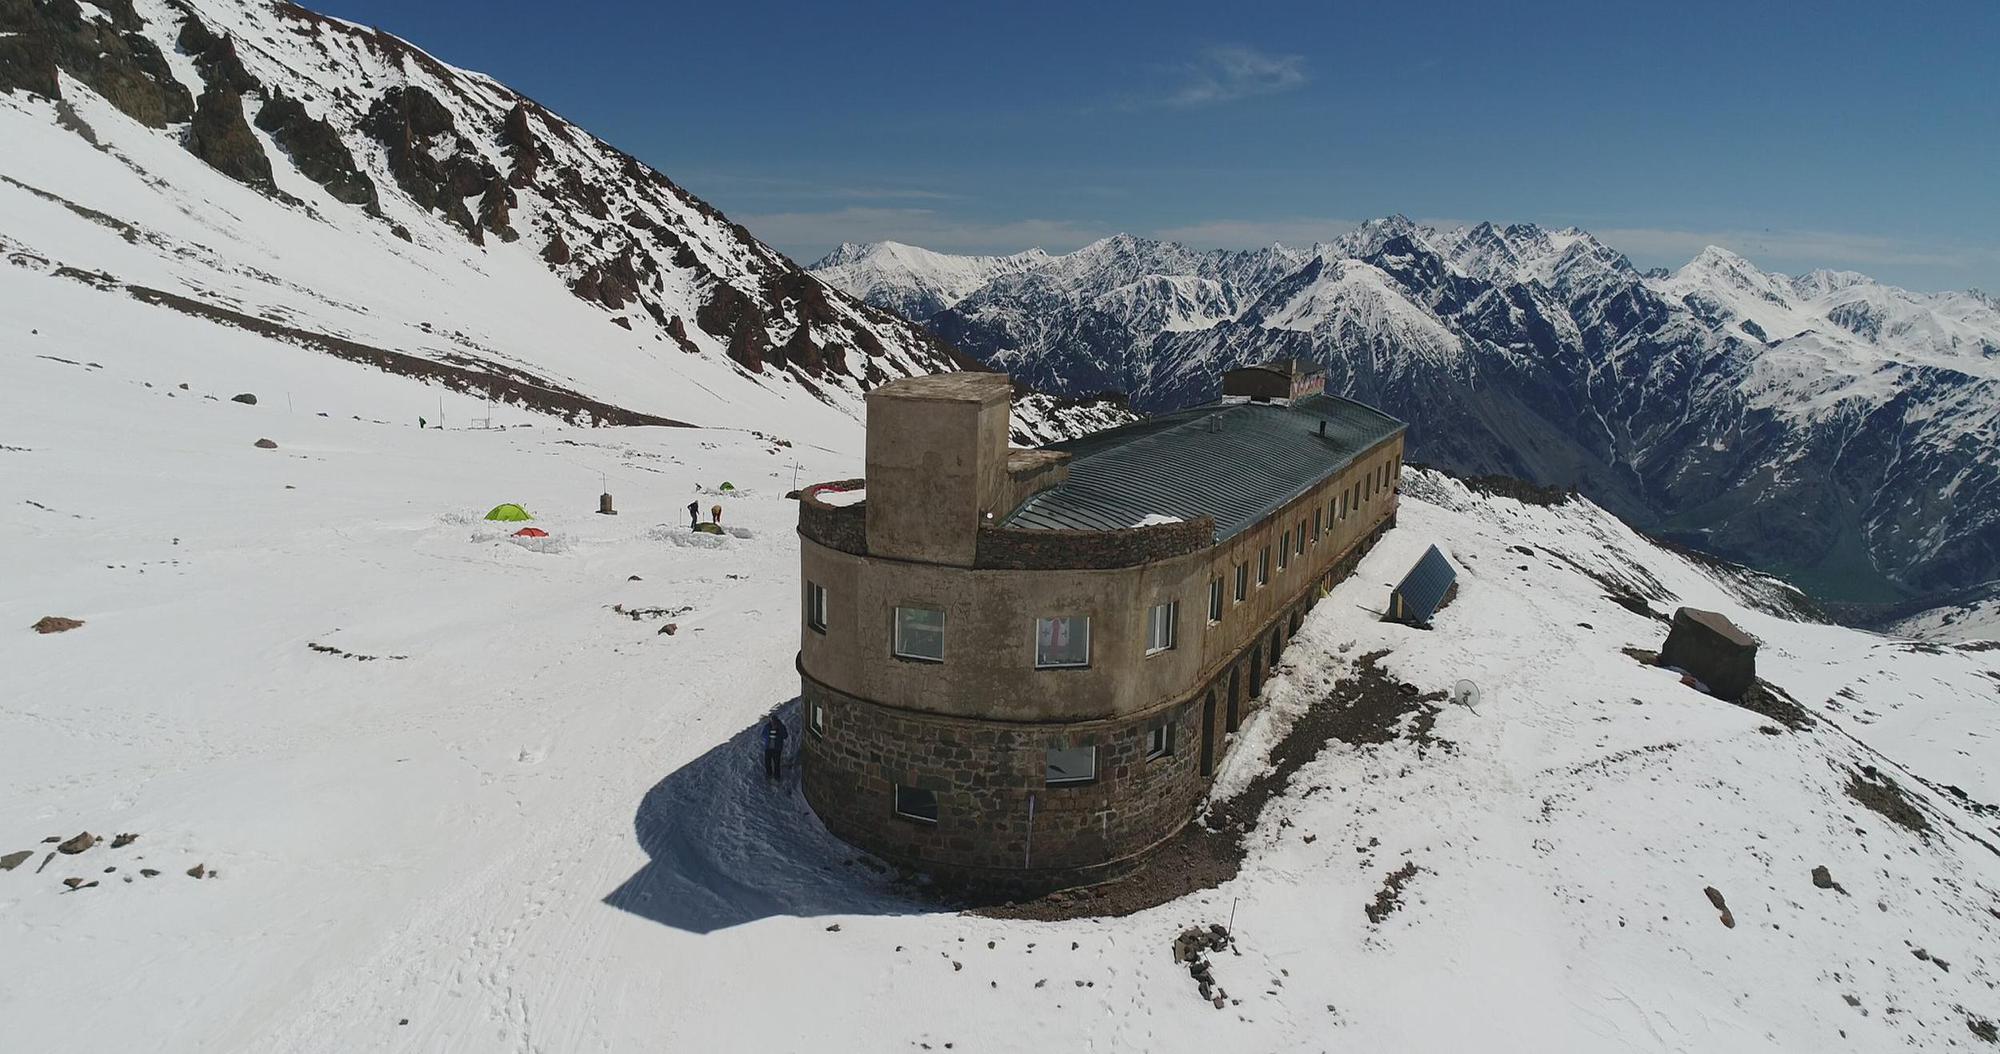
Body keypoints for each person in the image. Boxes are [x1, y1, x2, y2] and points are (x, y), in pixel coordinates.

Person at [761, 714, 788, 781]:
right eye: (772, 722)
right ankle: (769, 774)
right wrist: (768, 736)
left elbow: (785, 736)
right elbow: (763, 735)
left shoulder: (781, 727)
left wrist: (780, 730)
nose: (773, 723)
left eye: (774, 722)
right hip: (768, 748)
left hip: (777, 748)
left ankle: (777, 776)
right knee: (767, 762)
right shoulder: (767, 727)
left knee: (776, 763)